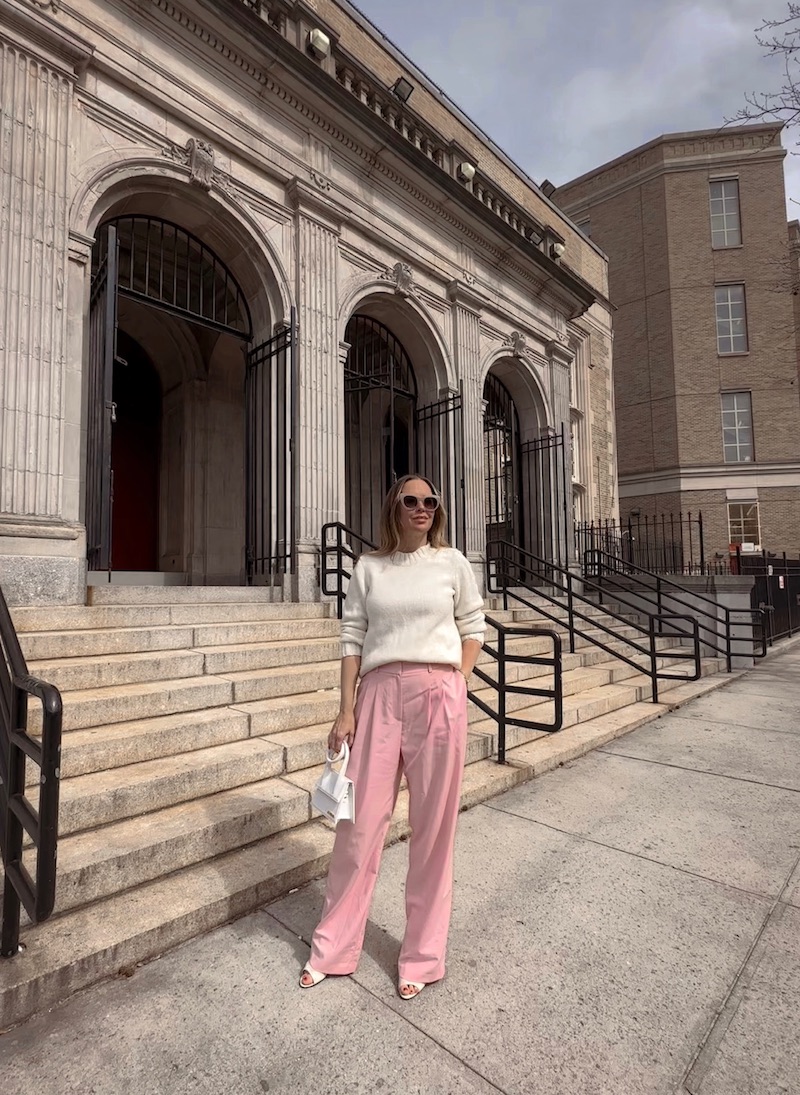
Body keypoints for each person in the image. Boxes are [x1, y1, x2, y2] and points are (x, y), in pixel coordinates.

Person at [300, 474, 486, 999]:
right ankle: (332, 947)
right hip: (378, 695)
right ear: (395, 508)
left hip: (438, 694)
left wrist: (458, 681)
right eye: (412, 500)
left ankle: (422, 959)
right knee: (357, 828)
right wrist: (344, 710)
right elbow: (352, 638)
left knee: (434, 833)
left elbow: (474, 625)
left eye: (431, 501)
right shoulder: (369, 568)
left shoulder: (452, 563)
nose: (423, 508)